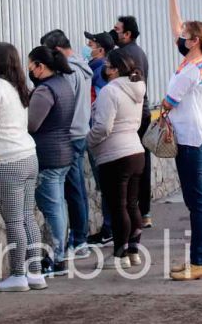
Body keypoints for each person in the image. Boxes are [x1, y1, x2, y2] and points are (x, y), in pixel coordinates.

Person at [0, 43, 47, 293]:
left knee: (14, 221)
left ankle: (19, 275)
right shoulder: (19, 87)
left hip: (7, 160)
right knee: (28, 217)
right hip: (29, 156)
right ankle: (35, 273)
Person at [166, 0, 202, 280]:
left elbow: (169, 101)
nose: (180, 36)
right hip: (197, 136)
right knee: (195, 199)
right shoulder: (199, 61)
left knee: (196, 201)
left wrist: (160, 111)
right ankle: (197, 257)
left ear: (195, 40)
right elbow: (177, 26)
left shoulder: (191, 69)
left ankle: (198, 262)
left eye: (186, 35)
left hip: (191, 139)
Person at [88, 49, 146, 269]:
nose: (104, 69)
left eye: (107, 66)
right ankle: (133, 251)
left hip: (115, 155)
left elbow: (103, 127)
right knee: (132, 204)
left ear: (114, 70)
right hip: (135, 150)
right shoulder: (135, 89)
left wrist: (89, 140)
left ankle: (119, 254)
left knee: (117, 206)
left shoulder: (110, 91)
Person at [40, 30, 93, 261]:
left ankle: (79, 240)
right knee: (76, 187)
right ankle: (80, 238)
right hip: (80, 131)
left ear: (58, 50)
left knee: (72, 189)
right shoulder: (82, 66)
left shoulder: (68, 73)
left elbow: (63, 105)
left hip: (69, 134)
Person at [27, 46, 76, 277]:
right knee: (59, 206)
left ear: (40, 66)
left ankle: (57, 258)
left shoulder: (44, 91)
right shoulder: (64, 84)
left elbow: (32, 124)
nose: (29, 70)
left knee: (53, 208)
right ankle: (60, 254)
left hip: (47, 155)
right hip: (63, 151)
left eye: (31, 65)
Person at [109, 15, 154, 230]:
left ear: (127, 34)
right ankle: (144, 211)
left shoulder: (123, 55)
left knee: (131, 170)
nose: (113, 32)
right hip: (142, 112)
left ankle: (135, 213)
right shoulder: (139, 52)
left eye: (117, 29)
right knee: (142, 165)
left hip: (131, 116)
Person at [83, 31, 116, 248]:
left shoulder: (99, 72)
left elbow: (103, 110)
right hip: (107, 136)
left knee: (107, 185)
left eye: (91, 43)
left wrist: (92, 137)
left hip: (102, 137)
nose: (87, 46)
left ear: (101, 50)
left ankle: (110, 229)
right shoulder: (98, 69)